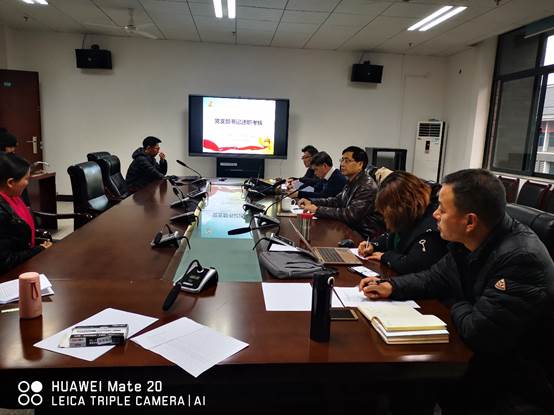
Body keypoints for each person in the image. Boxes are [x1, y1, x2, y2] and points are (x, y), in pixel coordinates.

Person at [359, 169, 554, 414]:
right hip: (478, 365)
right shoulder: (468, 242)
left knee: (407, 383)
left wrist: (453, 300)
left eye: (442, 209)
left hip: (512, 384)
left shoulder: (521, 258)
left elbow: (478, 332)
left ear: (470, 222)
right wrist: (392, 286)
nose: (435, 214)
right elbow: (434, 277)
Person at [357, 171, 447, 274]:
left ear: (401, 206)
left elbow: (414, 264)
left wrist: (385, 256)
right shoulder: (408, 216)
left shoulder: (433, 225)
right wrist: (373, 245)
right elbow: (392, 236)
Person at [298, 146, 383, 238]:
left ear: (360, 164)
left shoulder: (366, 186)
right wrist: (311, 202)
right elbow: (337, 200)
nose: (342, 164)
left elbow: (350, 214)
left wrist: (317, 210)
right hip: (349, 229)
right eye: (342, 160)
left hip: (362, 236)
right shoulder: (352, 180)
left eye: (347, 161)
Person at [0, 153, 52, 274]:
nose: (28, 183)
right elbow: (5, 262)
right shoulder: (2, 215)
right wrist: (40, 249)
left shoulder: (13, 197)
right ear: (10, 182)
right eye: (26, 179)